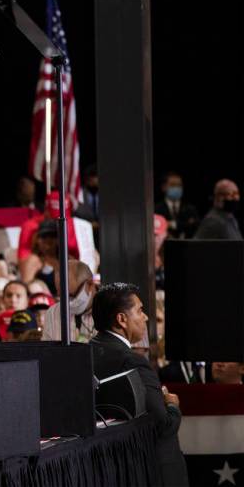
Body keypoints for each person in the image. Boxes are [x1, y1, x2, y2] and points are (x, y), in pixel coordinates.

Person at [89, 283, 186, 486]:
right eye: (140, 310)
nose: (146, 317)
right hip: (153, 470)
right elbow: (163, 425)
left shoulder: (84, 354)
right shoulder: (132, 360)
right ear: (122, 319)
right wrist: (171, 404)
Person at [42, 260, 97, 343]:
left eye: (70, 296)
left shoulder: (109, 312)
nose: (67, 302)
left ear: (90, 285)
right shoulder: (53, 313)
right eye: (61, 296)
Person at [154, 171, 199, 239]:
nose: (177, 188)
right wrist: (185, 223)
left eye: (179, 185)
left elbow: (194, 225)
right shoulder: (157, 209)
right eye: (173, 185)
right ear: (163, 187)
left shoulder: (190, 209)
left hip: (187, 246)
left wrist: (171, 224)